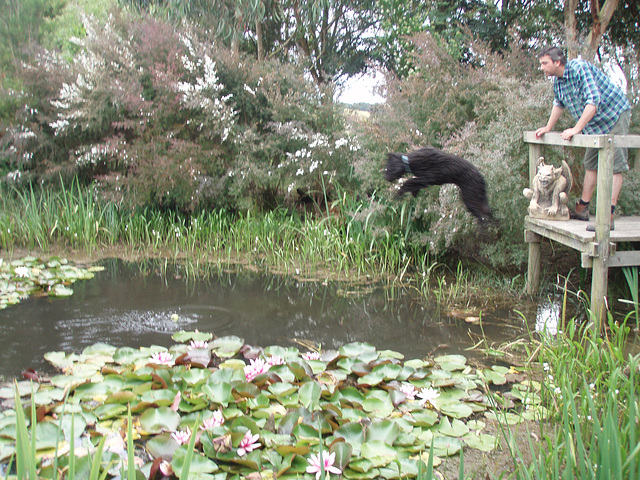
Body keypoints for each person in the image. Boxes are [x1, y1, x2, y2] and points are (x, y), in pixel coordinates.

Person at [534, 46, 631, 231]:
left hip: (614, 115)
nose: (542, 67)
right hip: (595, 125)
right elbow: (558, 104)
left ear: (557, 62)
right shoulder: (558, 82)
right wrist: (548, 127)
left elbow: (593, 102)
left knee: (615, 165)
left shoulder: (580, 69)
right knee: (591, 163)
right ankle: (582, 208)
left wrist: (576, 129)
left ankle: (608, 216)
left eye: (544, 63)